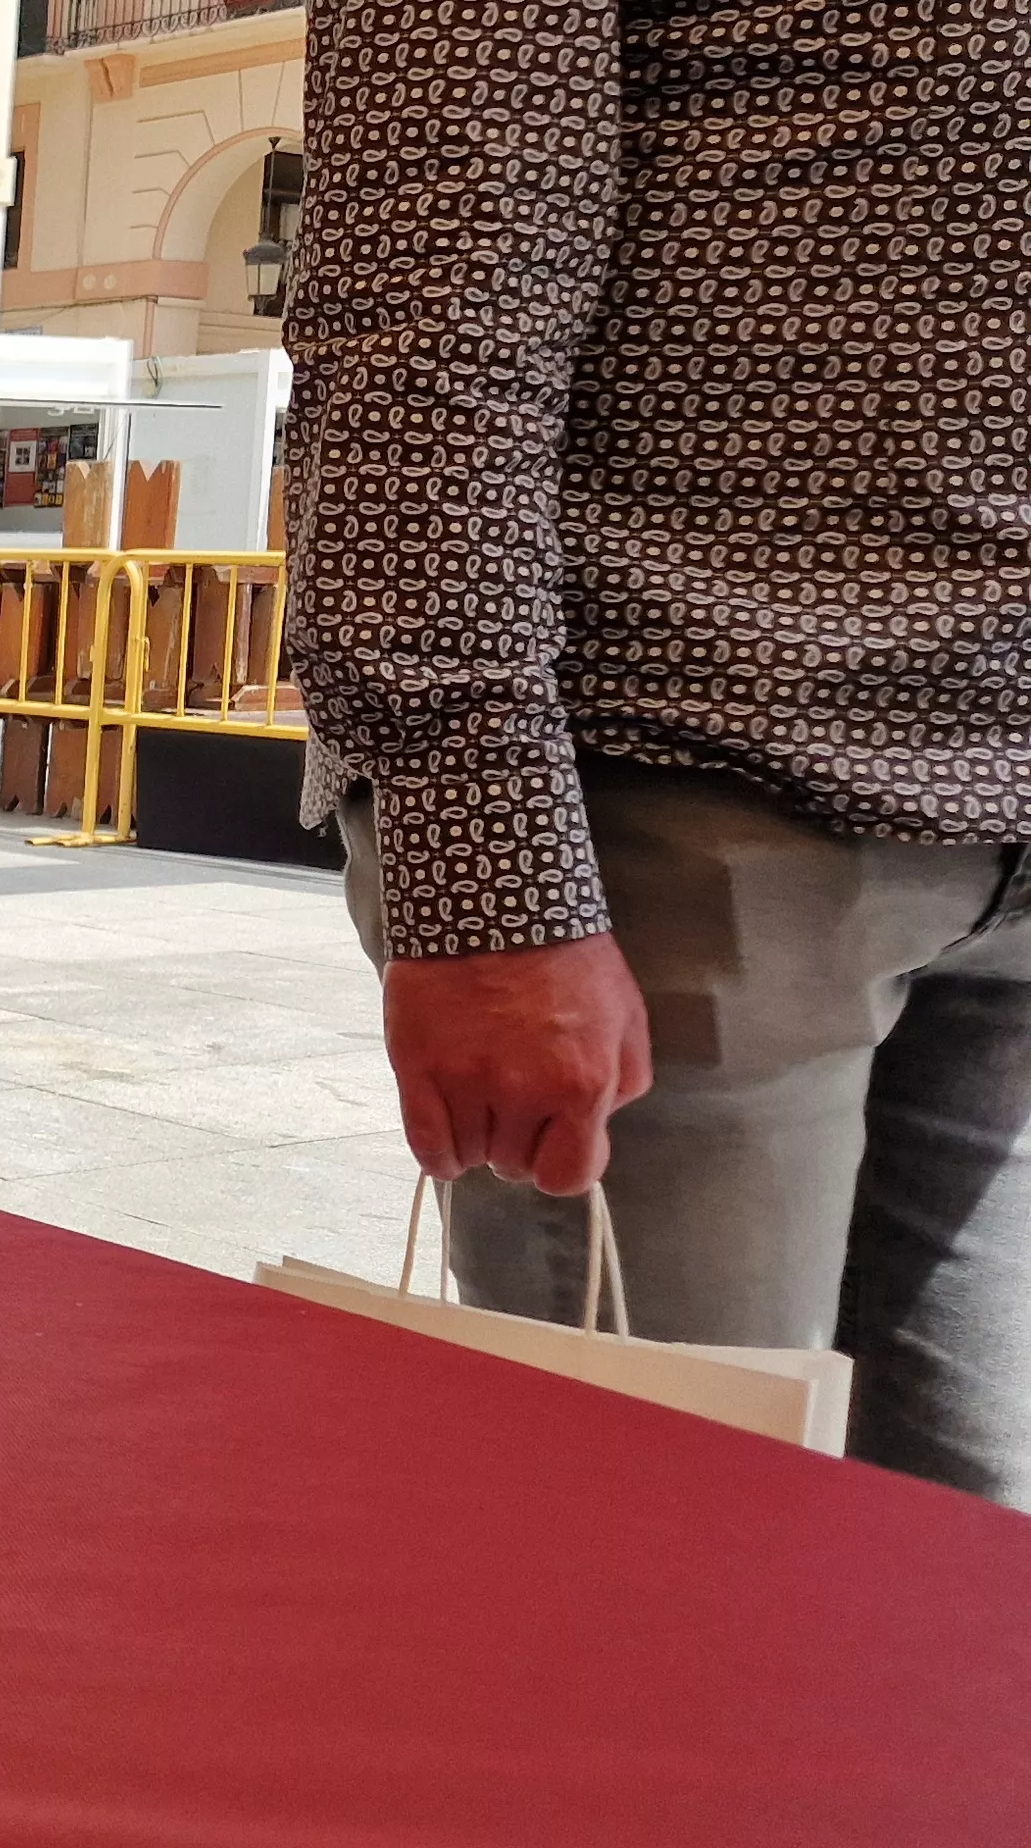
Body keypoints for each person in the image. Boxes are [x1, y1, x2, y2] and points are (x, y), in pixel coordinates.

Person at [290, 3, 1031, 1502]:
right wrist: (486, 876)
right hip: (692, 778)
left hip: (987, 795)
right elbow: (426, 308)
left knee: (958, 1551)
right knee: (644, 1548)